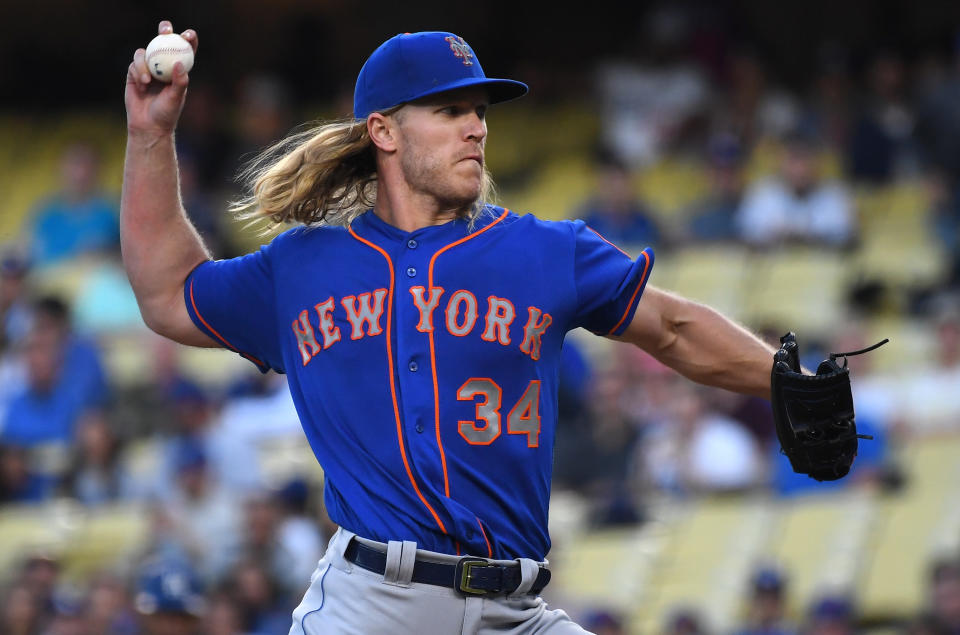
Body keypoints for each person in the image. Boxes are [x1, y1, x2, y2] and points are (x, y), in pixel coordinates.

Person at [123, 22, 779, 634]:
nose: (475, 129)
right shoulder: (302, 267)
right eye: (450, 110)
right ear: (384, 131)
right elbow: (169, 293)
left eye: (480, 112)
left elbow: (672, 326)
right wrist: (151, 136)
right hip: (371, 604)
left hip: (515, 610)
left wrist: (785, 380)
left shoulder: (546, 251)